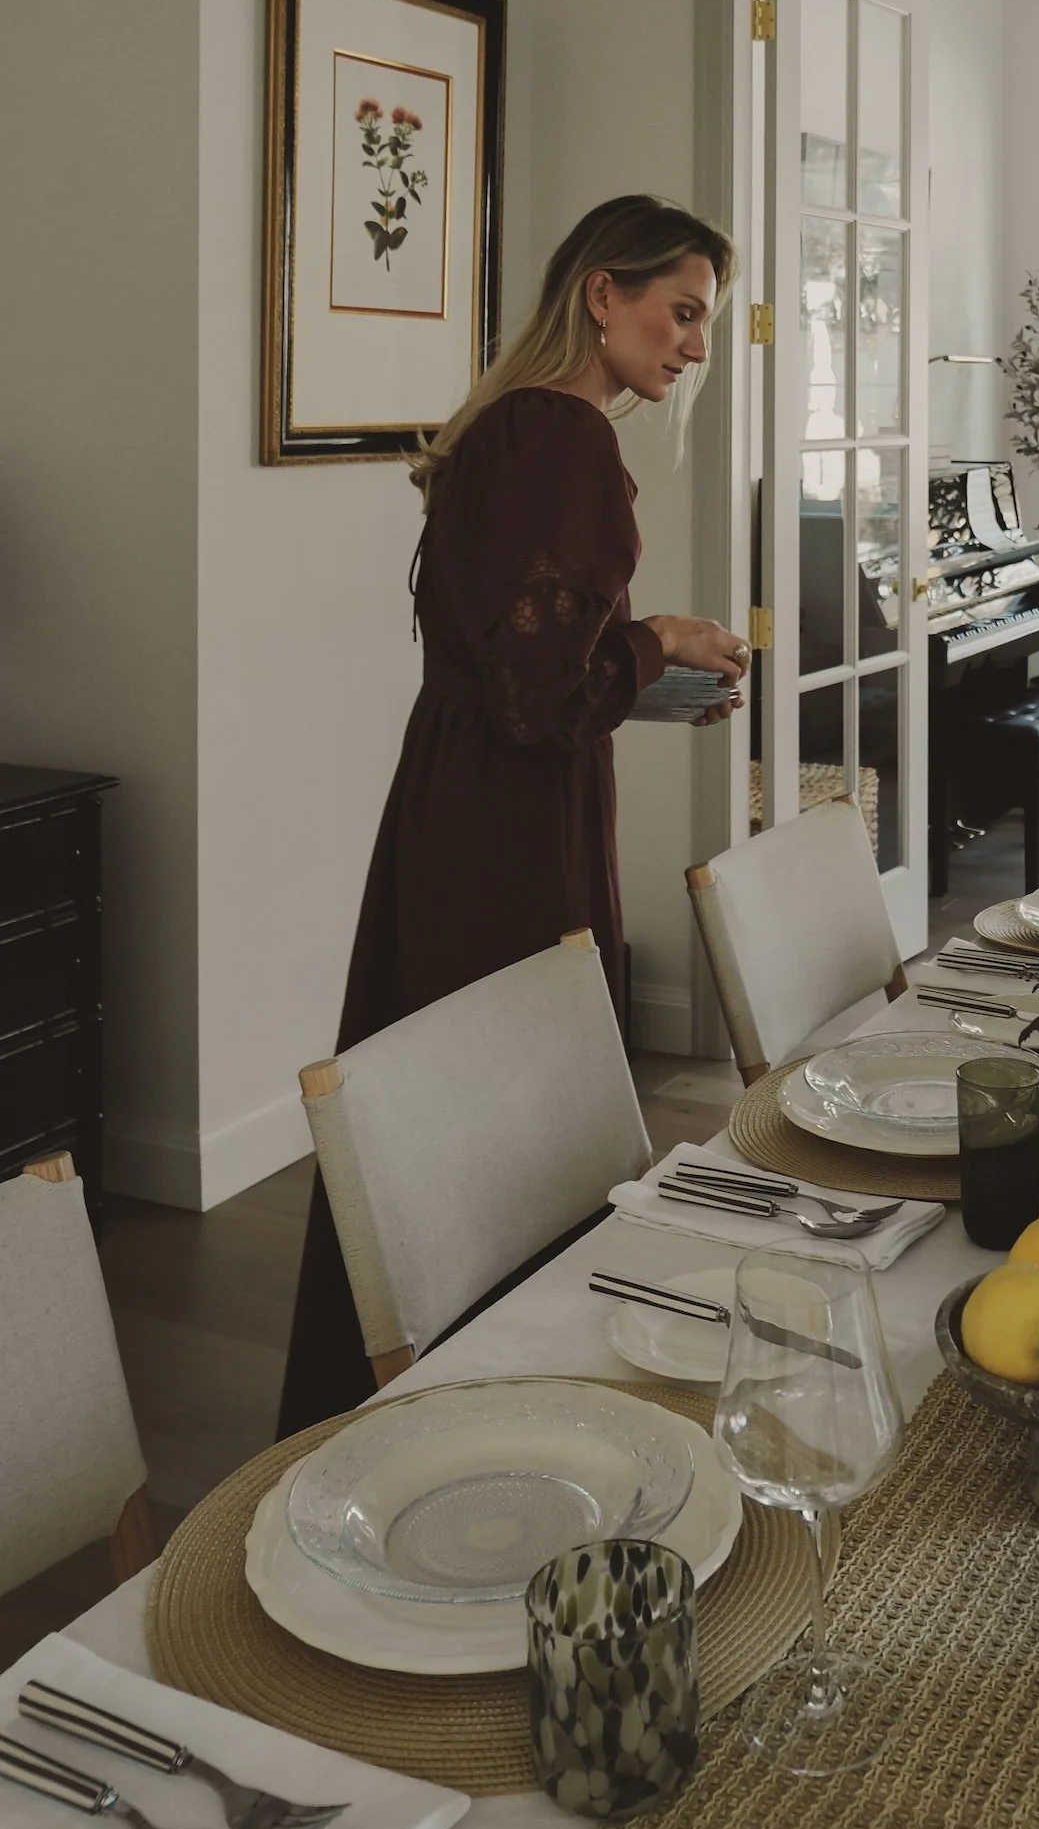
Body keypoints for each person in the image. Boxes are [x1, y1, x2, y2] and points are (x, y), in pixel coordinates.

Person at [278, 194, 745, 1431]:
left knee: (441, 1116)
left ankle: (413, 1395)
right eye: (681, 312)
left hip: (459, 799)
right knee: (509, 1122)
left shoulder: (509, 429)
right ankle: (510, 1408)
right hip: (509, 832)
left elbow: (516, 677)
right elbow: (544, 700)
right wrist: (660, 641)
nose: (695, 348)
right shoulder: (562, 437)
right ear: (603, 292)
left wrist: (646, 681)